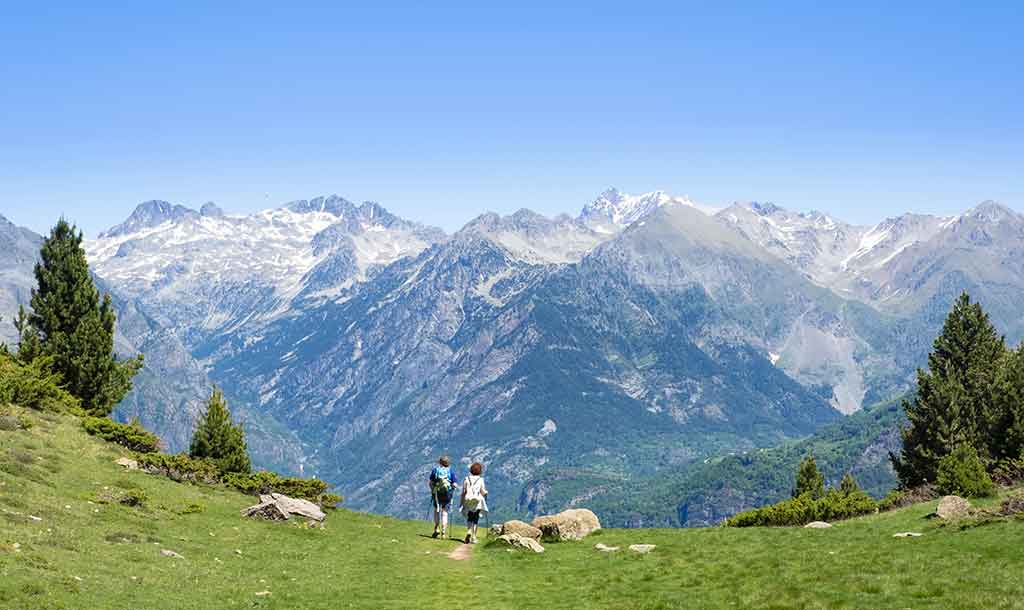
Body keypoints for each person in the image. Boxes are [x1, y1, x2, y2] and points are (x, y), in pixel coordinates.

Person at [428, 455, 458, 539]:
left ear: (440, 463)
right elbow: (455, 484)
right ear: (448, 463)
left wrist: (433, 490)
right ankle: (444, 532)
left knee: (436, 510)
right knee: (445, 512)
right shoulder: (450, 472)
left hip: (437, 493)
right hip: (447, 494)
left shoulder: (435, 471)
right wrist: (453, 488)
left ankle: (436, 528)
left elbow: (430, 483)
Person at [460, 462, 489, 544]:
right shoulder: (480, 480)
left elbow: (464, 492)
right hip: (477, 501)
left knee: (470, 517)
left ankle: (469, 531)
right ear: (480, 471)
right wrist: (486, 493)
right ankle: (474, 537)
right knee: (476, 518)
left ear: (471, 470)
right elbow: (482, 492)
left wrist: (461, 503)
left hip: (468, 500)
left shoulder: (466, 479)